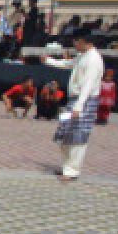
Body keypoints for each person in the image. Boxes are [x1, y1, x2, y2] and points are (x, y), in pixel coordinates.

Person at [46, 28, 104, 182]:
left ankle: (72, 170)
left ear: (84, 41)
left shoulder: (94, 59)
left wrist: (79, 107)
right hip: (74, 100)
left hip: (84, 101)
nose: (74, 44)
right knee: (65, 132)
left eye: (76, 41)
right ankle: (67, 166)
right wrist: (49, 61)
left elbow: (88, 85)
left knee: (78, 136)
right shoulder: (82, 56)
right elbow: (69, 64)